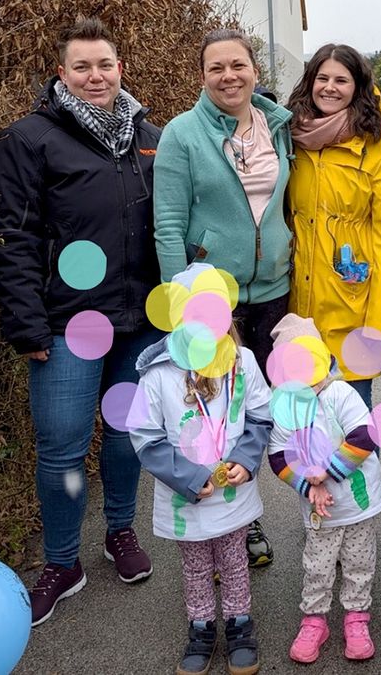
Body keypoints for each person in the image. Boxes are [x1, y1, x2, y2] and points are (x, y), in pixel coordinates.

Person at [0, 17, 159, 626]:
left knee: (123, 434)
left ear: (121, 69)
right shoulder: (30, 139)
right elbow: (13, 238)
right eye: (81, 66)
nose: (95, 76)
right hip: (68, 325)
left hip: (140, 324)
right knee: (61, 448)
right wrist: (27, 324)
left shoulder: (149, 136)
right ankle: (62, 562)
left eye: (105, 65)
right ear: (61, 73)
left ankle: (120, 532)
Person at [154, 28, 293, 567]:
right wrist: (182, 304)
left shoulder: (275, 127)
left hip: (273, 289)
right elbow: (167, 225)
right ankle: (240, 525)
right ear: (203, 76)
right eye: (217, 68)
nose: (229, 76)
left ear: (255, 70)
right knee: (216, 409)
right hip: (210, 298)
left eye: (238, 65)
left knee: (255, 408)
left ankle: (245, 512)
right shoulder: (181, 134)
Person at [131, 263, 271, 675]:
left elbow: (261, 418)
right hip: (186, 499)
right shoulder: (157, 376)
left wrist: (246, 461)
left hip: (233, 496)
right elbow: (144, 437)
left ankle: (239, 625)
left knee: (233, 562)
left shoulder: (242, 361)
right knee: (195, 567)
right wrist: (189, 478)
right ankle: (201, 627)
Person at [286, 44, 381, 410]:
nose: (330, 87)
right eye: (322, 78)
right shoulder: (291, 137)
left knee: (355, 438)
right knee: (301, 435)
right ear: (310, 82)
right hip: (296, 308)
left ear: (358, 87)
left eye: (341, 80)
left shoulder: (377, 148)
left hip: (352, 306)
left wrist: (379, 327)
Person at [267, 314, 381, 664]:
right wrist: (308, 487)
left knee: (358, 562)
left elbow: (365, 435)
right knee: (317, 566)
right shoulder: (285, 407)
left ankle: (356, 617)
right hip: (318, 510)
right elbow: (277, 457)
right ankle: (314, 620)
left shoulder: (339, 392)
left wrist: (328, 473)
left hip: (357, 504)